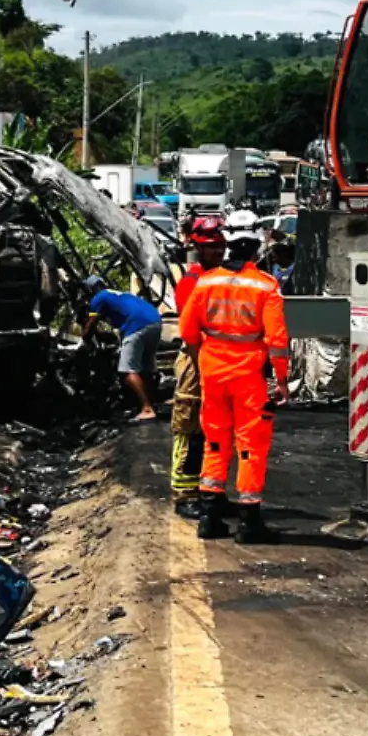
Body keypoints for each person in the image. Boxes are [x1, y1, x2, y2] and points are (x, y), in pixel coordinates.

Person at [179, 211, 290, 544]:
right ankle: (249, 524)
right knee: (250, 447)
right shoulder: (265, 286)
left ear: (227, 243)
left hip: (212, 374)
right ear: (257, 246)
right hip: (249, 379)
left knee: (215, 442)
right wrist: (281, 380)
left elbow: (187, 330)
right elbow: (277, 340)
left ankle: (209, 519)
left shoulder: (206, 281)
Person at [168, 216, 228, 519]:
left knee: (215, 429)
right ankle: (184, 494)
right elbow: (191, 330)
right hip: (196, 359)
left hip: (219, 361)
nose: (218, 253)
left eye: (220, 247)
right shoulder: (191, 282)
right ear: (198, 249)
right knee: (189, 425)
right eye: (211, 248)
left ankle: (210, 490)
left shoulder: (223, 279)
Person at [83, 276, 164, 421]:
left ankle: (147, 409)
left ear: (91, 289)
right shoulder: (120, 294)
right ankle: (152, 402)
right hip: (155, 322)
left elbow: (91, 324)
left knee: (127, 371)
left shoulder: (98, 298)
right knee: (146, 369)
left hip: (137, 326)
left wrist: (84, 339)